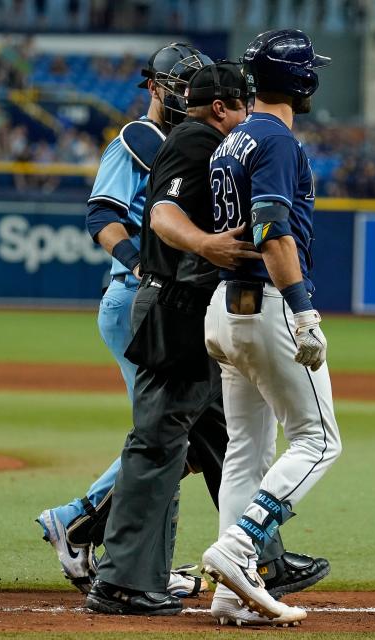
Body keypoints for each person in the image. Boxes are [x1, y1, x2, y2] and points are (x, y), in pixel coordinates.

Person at [37, 46, 329, 604]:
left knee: (213, 438)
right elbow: (133, 215)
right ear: (219, 107)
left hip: (190, 305)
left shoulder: (212, 142)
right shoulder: (164, 141)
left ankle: (256, 558)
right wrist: (183, 251)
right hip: (159, 301)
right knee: (162, 440)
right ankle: (113, 561)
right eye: (238, 105)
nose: (246, 113)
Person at [200, 29, 343, 623]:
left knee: (246, 453)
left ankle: (232, 598)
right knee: (319, 441)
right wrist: (303, 308)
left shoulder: (232, 139)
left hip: (225, 309)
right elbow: (271, 229)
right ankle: (239, 548)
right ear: (303, 81)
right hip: (267, 305)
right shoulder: (278, 141)